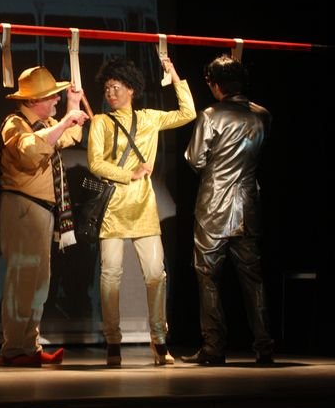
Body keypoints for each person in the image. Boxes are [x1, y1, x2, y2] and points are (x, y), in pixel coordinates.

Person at [87, 56, 195, 366]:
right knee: (110, 275)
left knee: (156, 274)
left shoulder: (149, 118)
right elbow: (95, 163)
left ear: (131, 88)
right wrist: (128, 173)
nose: (110, 93)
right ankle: (112, 340)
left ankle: (159, 339)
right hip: (113, 207)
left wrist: (174, 74)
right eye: (107, 88)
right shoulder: (101, 122)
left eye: (116, 87)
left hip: (143, 207)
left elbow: (188, 113)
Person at [181, 55, 274, 365]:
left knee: (208, 276)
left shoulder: (211, 115)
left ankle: (213, 346)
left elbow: (195, 159)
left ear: (214, 84)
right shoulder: (263, 115)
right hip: (248, 204)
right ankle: (264, 345)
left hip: (214, 206)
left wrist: (216, 167)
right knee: (252, 278)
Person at [0, 66, 88, 367]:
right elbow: (29, 152)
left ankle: (29, 346)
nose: (56, 100)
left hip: (41, 210)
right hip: (23, 208)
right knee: (22, 280)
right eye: (52, 96)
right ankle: (13, 350)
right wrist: (63, 123)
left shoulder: (45, 124)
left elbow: (68, 136)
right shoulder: (15, 124)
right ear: (35, 100)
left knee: (38, 282)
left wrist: (73, 105)